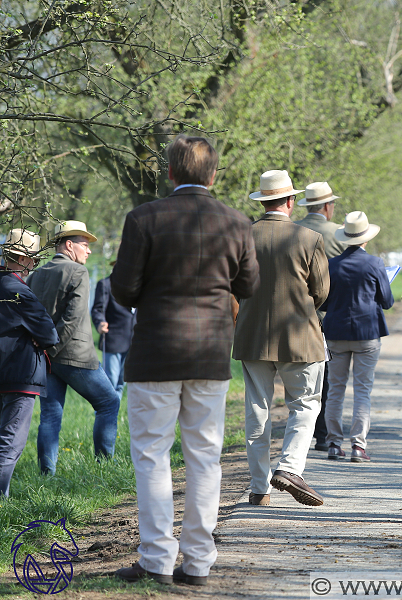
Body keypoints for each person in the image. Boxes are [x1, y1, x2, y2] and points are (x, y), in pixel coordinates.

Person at [112, 135, 259, 586]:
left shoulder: (143, 219)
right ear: (213, 175)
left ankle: (156, 559)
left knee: (152, 456)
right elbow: (249, 285)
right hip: (211, 354)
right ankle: (197, 562)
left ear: (170, 173)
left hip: (155, 352)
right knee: (204, 457)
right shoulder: (237, 222)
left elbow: (123, 289)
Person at [233, 170, 330, 507]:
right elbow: (321, 292)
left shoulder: (242, 236)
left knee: (256, 412)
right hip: (299, 335)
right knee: (305, 404)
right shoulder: (309, 238)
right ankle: (289, 467)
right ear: (290, 202)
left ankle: (260, 489)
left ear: (264, 202)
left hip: (252, 336)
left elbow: (234, 286)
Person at [28, 220, 120, 475]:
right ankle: (105, 467)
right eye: (85, 244)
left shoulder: (36, 274)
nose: (89, 250)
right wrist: (53, 347)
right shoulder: (78, 273)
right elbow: (73, 318)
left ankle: (47, 475)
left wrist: (45, 349)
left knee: (50, 415)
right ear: (69, 245)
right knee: (109, 402)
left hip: (44, 357)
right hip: (74, 357)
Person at [321, 211, 393, 463]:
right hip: (367, 333)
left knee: (335, 390)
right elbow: (387, 301)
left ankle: (332, 443)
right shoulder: (374, 264)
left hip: (336, 333)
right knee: (362, 390)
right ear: (366, 238)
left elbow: (324, 302)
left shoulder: (331, 264)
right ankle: (358, 447)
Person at [0, 229, 58, 497]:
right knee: (10, 442)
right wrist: (37, 336)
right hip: (20, 373)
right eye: (33, 259)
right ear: (23, 259)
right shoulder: (17, 289)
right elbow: (48, 332)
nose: (34, 264)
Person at [296, 181, 347, 452]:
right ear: (328, 207)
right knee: (328, 375)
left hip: (299, 309)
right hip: (332, 310)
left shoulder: (295, 230)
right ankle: (324, 432)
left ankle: (312, 428)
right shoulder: (339, 233)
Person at [91, 261, 136, 400]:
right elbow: (98, 309)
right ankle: (106, 413)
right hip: (114, 340)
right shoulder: (105, 284)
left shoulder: (136, 286)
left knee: (122, 382)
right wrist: (100, 323)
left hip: (134, 340)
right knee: (111, 381)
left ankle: (114, 414)